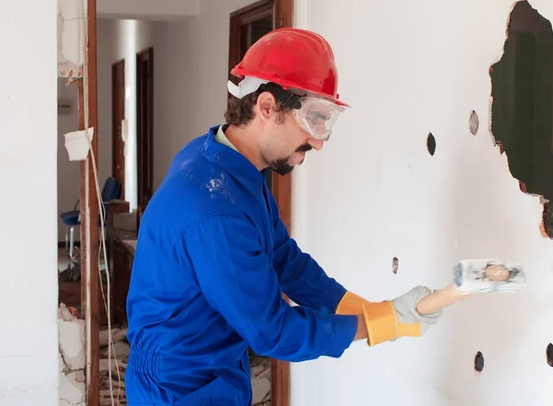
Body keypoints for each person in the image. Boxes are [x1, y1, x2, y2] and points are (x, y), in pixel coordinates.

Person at [125, 27, 442, 405]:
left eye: (327, 120)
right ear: (266, 107)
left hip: (211, 369)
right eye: (313, 118)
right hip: (180, 386)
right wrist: (379, 324)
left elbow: (283, 260)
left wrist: (361, 308)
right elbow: (272, 330)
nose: (319, 140)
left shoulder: (229, 166)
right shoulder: (215, 208)